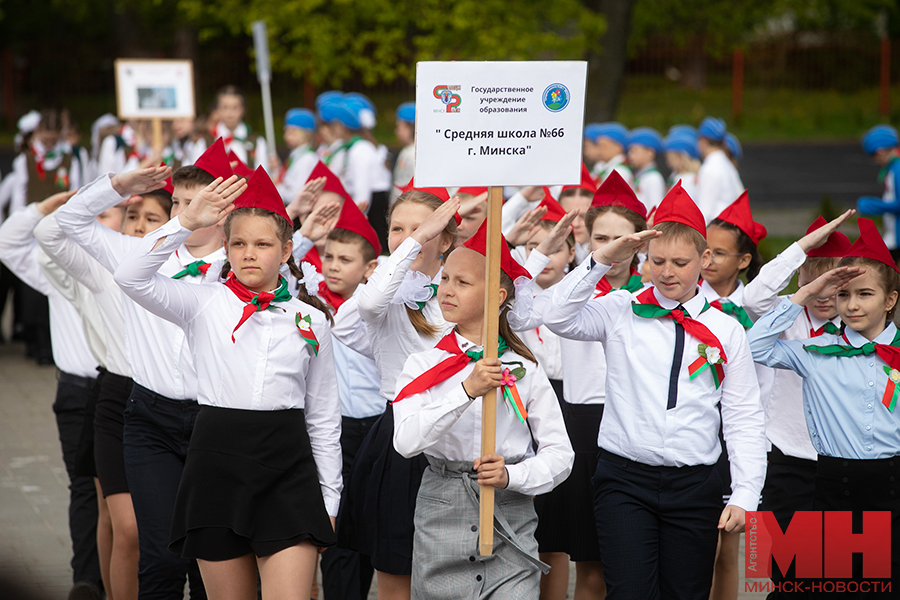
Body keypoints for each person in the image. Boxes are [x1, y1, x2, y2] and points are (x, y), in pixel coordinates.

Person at [113, 167, 342, 600]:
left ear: (287, 249)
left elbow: (324, 417)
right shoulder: (202, 302)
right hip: (216, 461)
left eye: (262, 244)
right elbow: (130, 277)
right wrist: (185, 221)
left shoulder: (310, 319)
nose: (249, 254)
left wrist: (330, 498)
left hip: (287, 467)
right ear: (225, 247)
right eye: (239, 243)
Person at [544, 182, 767, 600]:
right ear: (644, 258)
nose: (667, 272)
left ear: (704, 259)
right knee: (628, 591)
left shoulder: (726, 329)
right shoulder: (620, 309)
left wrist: (745, 492)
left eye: (681, 262)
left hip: (696, 483)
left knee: (686, 592)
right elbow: (557, 316)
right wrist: (602, 258)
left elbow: (743, 416)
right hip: (625, 479)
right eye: (658, 260)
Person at [55, 141, 235, 600]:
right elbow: (68, 221)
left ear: (226, 207)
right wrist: (117, 186)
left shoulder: (243, 269)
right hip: (149, 418)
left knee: (211, 555)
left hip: (215, 421)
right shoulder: (139, 255)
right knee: (159, 555)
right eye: (178, 202)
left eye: (199, 203)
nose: (185, 212)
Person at [392, 219, 574, 599]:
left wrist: (513, 475)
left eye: (463, 282)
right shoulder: (422, 365)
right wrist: (465, 390)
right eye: (445, 279)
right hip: (442, 510)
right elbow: (406, 442)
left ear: (498, 294)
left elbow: (560, 454)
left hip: (509, 515)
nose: (447, 290)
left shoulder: (525, 369)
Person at [748, 217, 900, 597]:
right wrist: (806, 290)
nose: (849, 304)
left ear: (890, 299)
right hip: (826, 481)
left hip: (890, 484)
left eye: (864, 294)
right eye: (843, 294)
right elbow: (753, 345)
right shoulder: (815, 352)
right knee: (810, 583)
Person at [35, 183, 173, 600]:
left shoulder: (187, 276)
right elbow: (49, 233)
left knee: (165, 532)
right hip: (115, 393)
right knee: (122, 524)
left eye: (152, 219)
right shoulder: (104, 269)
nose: (138, 227)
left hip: (172, 403)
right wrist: (115, 185)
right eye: (133, 216)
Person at [339, 190, 460, 600]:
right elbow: (364, 308)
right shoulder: (384, 293)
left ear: (446, 240)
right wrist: (413, 244)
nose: (410, 236)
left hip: (462, 430)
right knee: (397, 567)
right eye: (397, 229)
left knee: (459, 568)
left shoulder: (463, 288)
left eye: (426, 229)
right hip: (402, 435)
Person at [535, 173, 648, 600]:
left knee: (617, 562)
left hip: (633, 422)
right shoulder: (571, 290)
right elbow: (543, 313)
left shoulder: (653, 294)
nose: (613, 246)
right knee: (574, 556)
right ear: (586, 238)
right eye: (602, 236)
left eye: (622, 237)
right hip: (580, 425)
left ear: (640, 238)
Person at [741, 212, 853, 597]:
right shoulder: (786, 318)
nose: (824, 296)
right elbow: (753, 296)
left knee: (841, 576)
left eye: (834, 285)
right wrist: (802, 249)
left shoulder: (859, 325)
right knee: (784, 576)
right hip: (786, 463)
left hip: (844, 466)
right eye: (814, 282)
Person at [0, 192, 104, 599]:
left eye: (115, 215)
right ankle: (88, 580)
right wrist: (43, 208)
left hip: (130, 390)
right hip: (79, 390)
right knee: (84, 486)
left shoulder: (140, 268)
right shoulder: (62, 270)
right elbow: (9, 243)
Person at [700, 191, 768, 600]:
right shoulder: (685, 304)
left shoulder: (757, 308)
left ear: (744, 261)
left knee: (728, 547)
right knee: (698, 547)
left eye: (720, 254)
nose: (707, 261)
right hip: (700, 432)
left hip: (741, 433)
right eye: (703, 251)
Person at [856, 124, 900, 263]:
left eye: (874, 156)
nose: (876, 160)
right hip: (893, 237)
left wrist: (871, 205)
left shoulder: (897, 169)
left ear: (880, 151)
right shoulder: (893, 168)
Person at [209, 85, 270, 172]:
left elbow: (263, 175)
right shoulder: (205, 141)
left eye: (235, 108)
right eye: (225, 107)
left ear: (243, 110)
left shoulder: (257, 142)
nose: (230, 113)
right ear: (217, 109)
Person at [695, 117, 743, 224]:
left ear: (702, 141)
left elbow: (705, 213)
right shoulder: (727, 164)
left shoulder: (709, 168)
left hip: (717, 230)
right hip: (732, 228)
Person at [275, 108, 319, 205]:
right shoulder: (295, 156)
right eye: (286, 131)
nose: (286, 136)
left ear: (306, 134)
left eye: (293, 132)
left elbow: (296, 194)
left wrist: (274, 189)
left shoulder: (307, 158)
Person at [626, 127, 665, 215]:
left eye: (634, 151)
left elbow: (654, 210)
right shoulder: (640, 175)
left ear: (650, 152)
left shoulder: (653, 178)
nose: (630, 155)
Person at [391, 103, 416, 205]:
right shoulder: (407, 150)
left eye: (399, 126)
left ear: (410, 127)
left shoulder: (413, 153)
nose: (396, 131)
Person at [663, 130, 701, 198]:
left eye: (669, 157)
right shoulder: (675, 175)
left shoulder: (688, 179)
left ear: (679, 157)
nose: (667, 160)